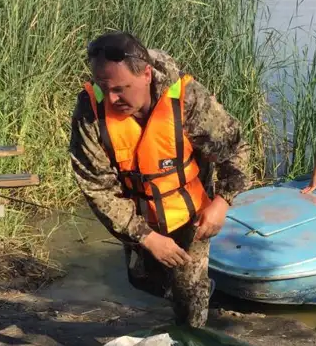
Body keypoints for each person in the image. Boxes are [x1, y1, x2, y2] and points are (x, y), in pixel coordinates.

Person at [69, 32, 249, 327]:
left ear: (146, 75)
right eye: (104, 87)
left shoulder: (187, 99)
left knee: (189, 292)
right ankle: (178, 291)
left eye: (120, 89)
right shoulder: (91, 110)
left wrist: (222, 201)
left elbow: (236, 149)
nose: (112, 98)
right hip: (137, 215)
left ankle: (192, 335)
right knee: (143, 280)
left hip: (190, 216)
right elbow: (95, 185)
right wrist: (146, 237)